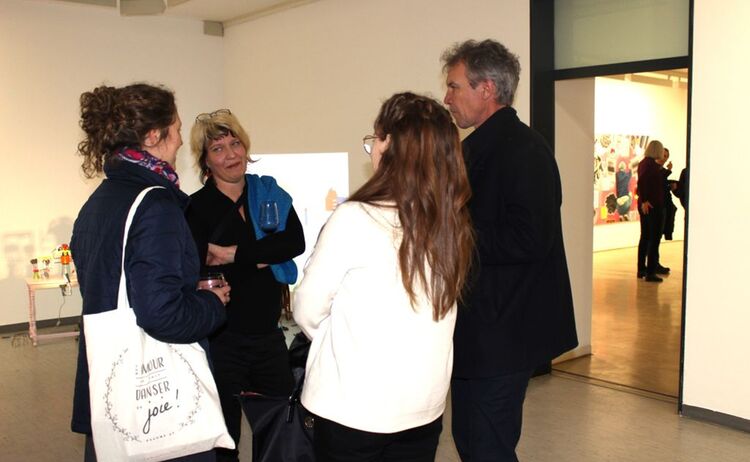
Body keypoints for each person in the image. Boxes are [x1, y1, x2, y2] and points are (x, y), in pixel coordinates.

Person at [293, 92, 474, 461]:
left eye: (375, 138)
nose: (372, 149)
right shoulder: (450, 222)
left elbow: (306, 309)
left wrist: (344, 339)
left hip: (353, 407)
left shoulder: (356, 217)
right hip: (424, 405)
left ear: (391, 144)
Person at [70, 83, 230, 462]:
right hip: (156, 400)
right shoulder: (156, 204)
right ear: (154, 135)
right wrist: (211, 302)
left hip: (110, 385)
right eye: (175, 130)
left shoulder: (100, 200)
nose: (178, 142)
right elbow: (161, 315)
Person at [441, 39, 578, 461]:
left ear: (487, 89)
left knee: (487, 447)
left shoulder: (523, 150)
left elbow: (530, 238)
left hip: (503, 333)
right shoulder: (479, 147)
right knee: (472, 440)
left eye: (454, 87)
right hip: (481, 332)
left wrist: (451, 233)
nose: (446, 98)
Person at [185, 109, 305, 462]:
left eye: (235, 143)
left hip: (268, 335)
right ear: (205, 161)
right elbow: (198, 263)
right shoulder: (196, 207)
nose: (231, 154)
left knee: (282, 425)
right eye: (218, 149)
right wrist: (262, 254)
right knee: (225, 437)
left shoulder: (268, 191)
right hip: (222, 338)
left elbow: (294, 241)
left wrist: (234, 254)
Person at [637, 140, 670, 282]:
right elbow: (642, 183)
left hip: (648, 205)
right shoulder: (651, 165)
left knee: (645, 237)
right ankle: (650, 271)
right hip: (653, 207)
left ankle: (642, 269)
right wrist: (645, 200)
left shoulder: (644, 163)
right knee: (653, 239)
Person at [660, 148, 678, 242]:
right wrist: (669, 170)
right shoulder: (655, 169)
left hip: (666, 203)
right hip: (660, 204)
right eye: (663, 155)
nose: (665, 158)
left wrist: (669, 186)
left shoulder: (662, 170)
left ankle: (668, 237)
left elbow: (662, 183)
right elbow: (658, 182)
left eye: (666, 156)